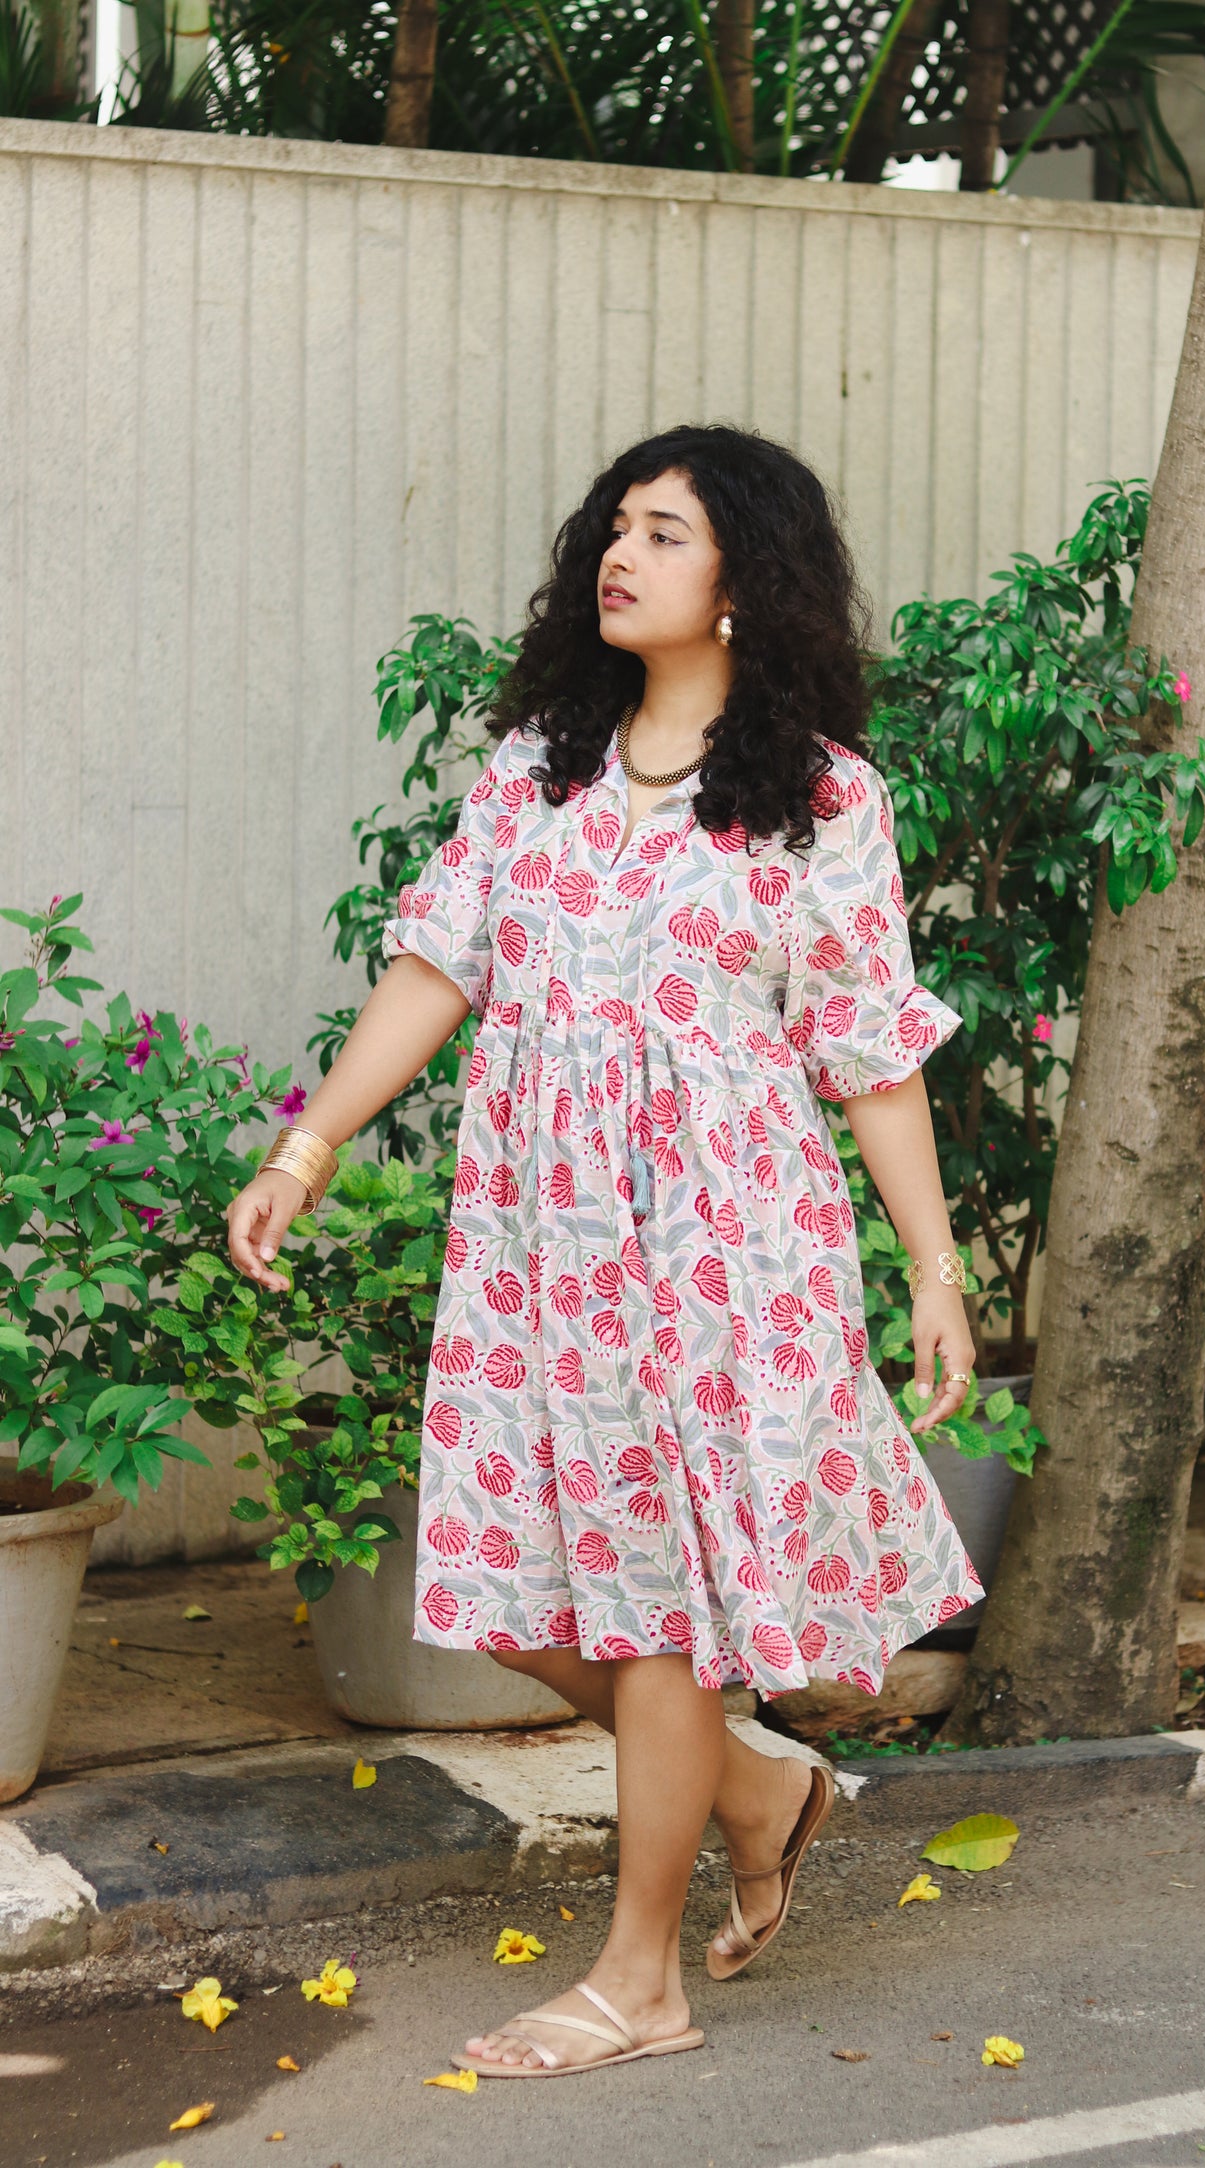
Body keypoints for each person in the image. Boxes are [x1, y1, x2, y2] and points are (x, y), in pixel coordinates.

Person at [226, 423, 983, 2080]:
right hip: (542, 1244)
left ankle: (640, 1981)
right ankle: (761, 1785)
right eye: (611, 530)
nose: (616, 558)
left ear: (743, 582)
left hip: (731, 1244)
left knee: (655, 1620)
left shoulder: (819, 799)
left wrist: (930, 1267)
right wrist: (312, 1140)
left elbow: (869, 1049)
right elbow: (435, 967)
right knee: (510, 1591)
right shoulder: (540, 767)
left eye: (661, 532)